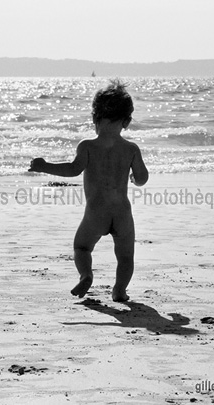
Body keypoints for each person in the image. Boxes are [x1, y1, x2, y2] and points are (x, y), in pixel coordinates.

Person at [29, 79, 148, 302]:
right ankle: (120, 290)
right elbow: (142, 178)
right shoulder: (131, 149)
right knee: (125, 257)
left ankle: (86, 275)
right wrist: (135, 177)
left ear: (94, 118)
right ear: (127, 121)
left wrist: (45, 166)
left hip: (96, 212)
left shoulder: (87, 146)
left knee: (82, 247)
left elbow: (73, 170)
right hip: (122, 212)